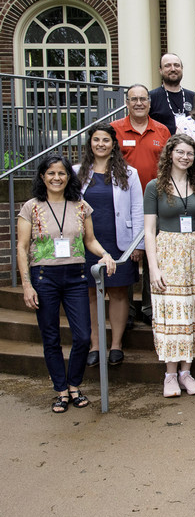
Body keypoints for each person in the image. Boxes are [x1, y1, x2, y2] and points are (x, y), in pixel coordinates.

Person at [17, 155, 116, 413]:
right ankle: (61, 391)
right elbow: (22, 247)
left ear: (68, 177)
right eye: (51, 173)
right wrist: (27, 285)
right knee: (50, 337)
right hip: (43, 277)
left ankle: (74, 384)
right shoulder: (31, 207)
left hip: (75, 276)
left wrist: (104, 254)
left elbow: (90, 240)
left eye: (61, 173)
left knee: (83, 336)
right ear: (42, 177)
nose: (56, 178)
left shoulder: (81, 206)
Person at [143, 134, 195, 398]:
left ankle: (186, 373)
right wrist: (153, 268)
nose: (185, 157)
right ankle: (169, 375)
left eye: (190, 153)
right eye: (180, 152)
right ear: (170, 154)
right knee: (172, 315)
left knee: (193, 314)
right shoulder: (155, 187)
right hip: (168, 253)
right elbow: (149, 229)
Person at [75, 123, 144, 368]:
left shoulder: (129, 173)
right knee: (90, 293)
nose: (101, 144)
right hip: (86, 243)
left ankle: (116, 344)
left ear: (113, 144)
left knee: (117, 292)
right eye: (96, 140)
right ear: (90, 144)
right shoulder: (76, 173)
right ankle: (95, 344)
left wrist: (138, 244)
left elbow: (138, 209)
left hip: (120, 242)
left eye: (106, 140)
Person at [112, 83, 170, 326]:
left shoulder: (162, 130)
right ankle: (125, 309)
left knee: (152, 254)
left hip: (155, 201)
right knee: (125, 254)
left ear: (149, 102)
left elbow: (168, 165)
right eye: (133, 99)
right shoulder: (115, 129)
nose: (138, 103)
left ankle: (148, 306)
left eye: (143, 99)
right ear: (127, 102)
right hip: (123, 202)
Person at [149, 53, 195, 135]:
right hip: (161, 146)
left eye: (176, 65)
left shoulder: (194, 98)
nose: (173, 69)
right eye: (167, 66)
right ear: (160, 70)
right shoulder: (151, 98)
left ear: (182, 68)